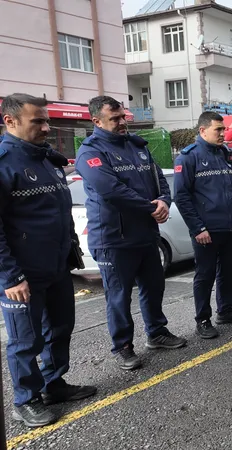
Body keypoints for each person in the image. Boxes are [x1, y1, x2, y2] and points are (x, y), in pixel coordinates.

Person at [0, 94, 97, 427]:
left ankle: (53, 384)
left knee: (59, 328)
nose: (46, 127)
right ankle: (26, 399)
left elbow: (59, 212)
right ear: (10, 121)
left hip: (56, 265)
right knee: (25, 340)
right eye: (37, 121)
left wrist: (71, 250)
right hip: (22, 273)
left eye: (47, 120)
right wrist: (10, 277)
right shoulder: (4, 164)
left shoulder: (46, 160)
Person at [76, 96, 186, 371]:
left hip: (146, 234)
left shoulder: (137, 146)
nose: (122, 122)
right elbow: (111, 190)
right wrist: (151, 208)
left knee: (154, 287)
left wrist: (164, 200)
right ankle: (123, 346)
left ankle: (156, 333)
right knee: (119, 296)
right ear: (96, 121)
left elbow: (159, 180)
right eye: (114, 118)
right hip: (114, 238)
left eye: (123, 116)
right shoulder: (90, 152)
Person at [173, 112, 232, 340]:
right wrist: (197, 228)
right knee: (205, 275)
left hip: (230, 227)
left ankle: (225, 311)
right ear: (203, 130)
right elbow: (182, 197)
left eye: (223, 129)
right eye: (218, 129)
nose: (223, 133)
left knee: (227, 272)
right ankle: (203, 319)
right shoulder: (188, 158)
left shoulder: (226, 155)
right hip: (206, 231)